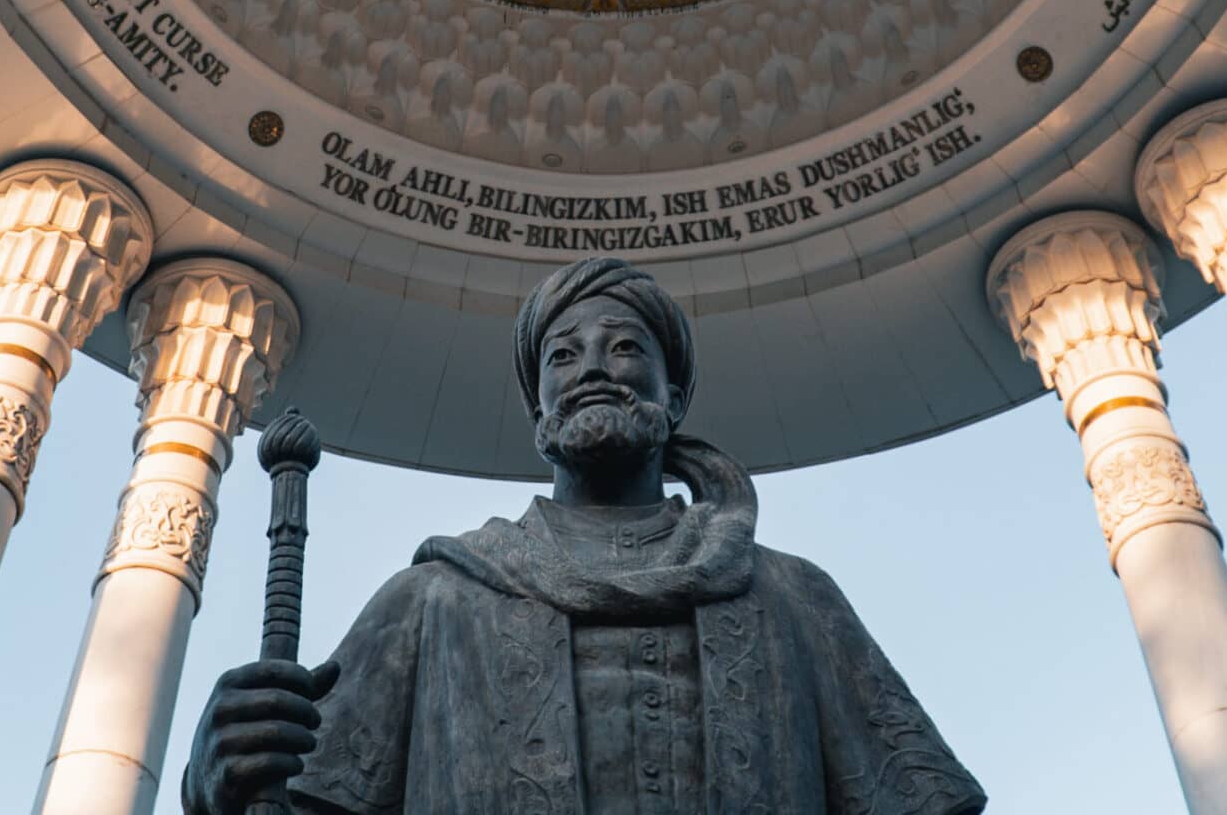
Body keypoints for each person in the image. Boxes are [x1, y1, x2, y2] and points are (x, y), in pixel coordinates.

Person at [183, 256, 987, 814]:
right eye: (562, 356)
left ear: (674, 402)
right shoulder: (432, 604)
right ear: (539, 414)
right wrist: (216, 777)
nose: (593, 368)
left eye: (626, 348)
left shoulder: (791, 597)